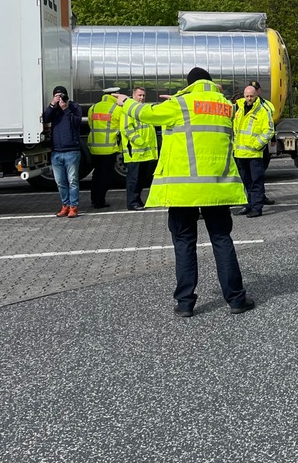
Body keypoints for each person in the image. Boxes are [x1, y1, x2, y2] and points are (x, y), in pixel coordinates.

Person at [115, 67, 253, 318]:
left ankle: (186, 303)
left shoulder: (179, 105)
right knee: (222, 241)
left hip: (183, 190)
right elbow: (206, 106)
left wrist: (125, 102)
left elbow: (146, 113)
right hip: (217, 188)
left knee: (184, 244)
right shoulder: (225, 107)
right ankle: (236, 299)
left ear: (188, 85)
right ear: (210, 83)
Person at [233, 83, 275, 217]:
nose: (249, 98)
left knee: (256, 181)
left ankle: (257, 208)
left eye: (251, 96)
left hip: (254, 153)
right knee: (246, 182)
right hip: (240, 153)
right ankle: (249, 205)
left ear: (256, 95)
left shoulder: (263, 110)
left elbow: (269, 130)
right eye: (247, 96)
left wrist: (257, 145)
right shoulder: (239, 108)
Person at [43, 85, 83, 218]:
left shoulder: (74, 107)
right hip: (56, 151)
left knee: (72, 180)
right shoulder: (53, 109)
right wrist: (52, 104)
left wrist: (65, 109)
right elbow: (46, 118)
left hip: (72, 150)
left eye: (62, 96)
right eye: (57, 96)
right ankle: (65, 205)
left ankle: (73, 207)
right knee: (60, 182)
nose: (61, 98)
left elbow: (76, 123)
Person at [121, 86, 158, 210]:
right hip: (135, 152)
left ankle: (137, 200)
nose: (141, 98)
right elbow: (127, 129)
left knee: (141, 179)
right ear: (133, 95)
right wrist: (141, 142)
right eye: (139, 95)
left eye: (143, 95)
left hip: (144, 152)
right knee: (134, 179)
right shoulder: (128, 110)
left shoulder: (144, 109)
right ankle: (132, 203)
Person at [87, 87, 121, 209]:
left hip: (95, 148)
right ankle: (100, 201)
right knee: (105, 177)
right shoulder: (116, 109)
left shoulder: (93, 107)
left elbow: (91, 125)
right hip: (109, 149)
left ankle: (94, 199)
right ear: (115, 94)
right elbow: (120, 127)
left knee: (96, 175)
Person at [248, 81, 276, 204]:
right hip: (246, 146)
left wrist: (273, 138)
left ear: (259, 91)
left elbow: (270, 123)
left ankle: (260, 197)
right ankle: (251, 200)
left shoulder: (267, 105)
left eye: (256, 89)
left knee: (260, 173)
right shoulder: (244, 104)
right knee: (249, 175)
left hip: (261, 144)